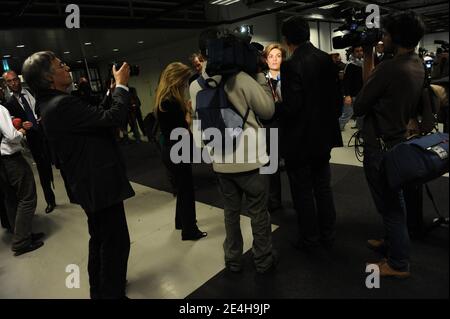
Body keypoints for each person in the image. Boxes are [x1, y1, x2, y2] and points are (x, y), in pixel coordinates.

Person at [22, 51, 134, 298]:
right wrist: (123, 87)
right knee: (115, 242)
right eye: (60, 65)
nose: (66, 68)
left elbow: (94, 119)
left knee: (100, 239)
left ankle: (101, 290)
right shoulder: (62, 105)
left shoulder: (51, 103)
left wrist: (112, 91)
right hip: (98, 182)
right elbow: (113, 118)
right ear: (48, 78)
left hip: (86, 183)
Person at [190, 29, 277, 274]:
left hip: (221, 162)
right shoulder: (242, 78)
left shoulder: (196, 87)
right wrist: (260, 76)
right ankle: (263, 261)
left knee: (231, 214)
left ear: (202, 54)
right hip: (251, 161)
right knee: (259, 214)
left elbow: (198, 132)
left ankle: (233, 260)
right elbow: (268, 110)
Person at [353, 11, 426, 278]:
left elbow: (361, 104)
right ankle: (392, 242)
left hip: (380, 147)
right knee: (395, 200)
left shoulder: (391, 67)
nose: (382, 38)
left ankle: (398, 262)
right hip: (396, 140)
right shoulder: (416, 63)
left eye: (385, 34)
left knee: (390, 205)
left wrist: (369, 57)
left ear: (396, 37)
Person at [280, 16, 342, 251]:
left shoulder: (291, 65)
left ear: (286, 40)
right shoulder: (326, 60)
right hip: (323, 137)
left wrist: (276, 106)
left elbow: (292, 107)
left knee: (303, 191)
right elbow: (337, 104)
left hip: (300, 140)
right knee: (323, 187)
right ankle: (328, 232)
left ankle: (310, 237)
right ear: (307, 34)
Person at [155, 62, 207, 241]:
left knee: (181, 188)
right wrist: (189, 113)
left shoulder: (163, 99)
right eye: (184, 80)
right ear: (175, 79)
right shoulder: (172, 101)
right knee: (186, 190)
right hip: (178, 148)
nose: (185, 84)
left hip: (169, 148)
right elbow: (183, 127)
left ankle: (180, 222)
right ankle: (190, 230)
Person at [2, 70, 56, 214]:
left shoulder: (35, 92)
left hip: (50, 133)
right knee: (43, 171)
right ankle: (50, 200)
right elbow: (13, 126)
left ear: (19, 80)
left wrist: (45, 116)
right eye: (10, 81)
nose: (13, 83)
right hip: (34, 140)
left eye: (15, 80)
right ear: (6, 84)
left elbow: (48, 105)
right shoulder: (9, 105)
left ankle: (74, 193)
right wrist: (21, 126)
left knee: (62, 163)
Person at [0, 103, 44, 256]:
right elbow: (11, 136)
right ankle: (21, 241)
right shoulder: (0, 109)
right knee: (27, 197)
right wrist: (21, 131)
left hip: (1, 164)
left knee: (11, 199)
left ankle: (21, 234)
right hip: (10, 159)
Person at [262, 43, 286, 214]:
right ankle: (274, 200)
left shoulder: (290, 77)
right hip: (270, 125)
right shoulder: (261, 80)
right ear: (265, 59)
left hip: (289, 123)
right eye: (271, 56)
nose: (275, 59)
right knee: (271, 166)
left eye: (278, 55)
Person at [339, 46, 364, 131]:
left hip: (361, 94)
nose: (360, 53)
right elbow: (346, 82)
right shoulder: (350, 65)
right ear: (353, 53)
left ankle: (360, 129)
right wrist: (347, 95)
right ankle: (337, 129)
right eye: (357, 51)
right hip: (352, 95)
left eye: (361, 51)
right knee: (347, 114)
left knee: (361, 114)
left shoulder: (364, 63)